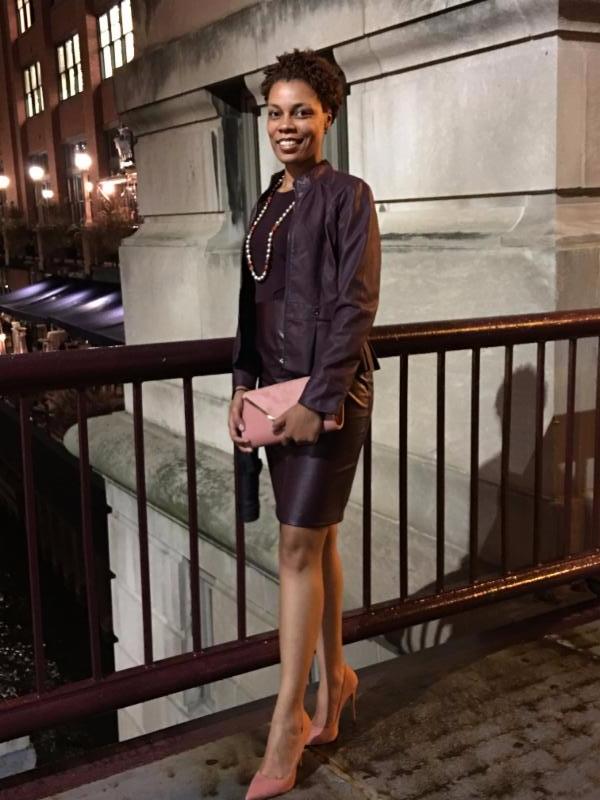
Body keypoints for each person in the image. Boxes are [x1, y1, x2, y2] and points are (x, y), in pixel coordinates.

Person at [228, 48, 381, 800]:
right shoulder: (268, 200)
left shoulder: (349, 195)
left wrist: (316, 404)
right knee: (316, 541)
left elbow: (355, 306)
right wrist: (243, 385)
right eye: (275, 112)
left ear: (328, 117)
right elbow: (251, 305)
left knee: (296, 547)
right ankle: (338, 677)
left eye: (302, 112)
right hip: (276, 395)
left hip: (328, 401)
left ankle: (287, 721)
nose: (286, 124)